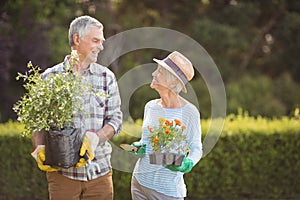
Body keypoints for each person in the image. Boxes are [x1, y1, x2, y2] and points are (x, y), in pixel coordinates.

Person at [31, 15, 122, 200]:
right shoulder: (50, 78)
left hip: (100, 173)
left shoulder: (106, 77)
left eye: (101, 41)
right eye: (95, 40)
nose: (101, 46)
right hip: (62, 173)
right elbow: (37, 123)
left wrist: (97, 137)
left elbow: (116, 120)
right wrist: (39, 147)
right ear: (77, 39)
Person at [131, 51, 202, 199]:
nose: (153, 74)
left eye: (160, 72)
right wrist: (140, 146)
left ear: (174, 82)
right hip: (139, 182)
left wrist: (187, 163)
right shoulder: (150, 106)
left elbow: (197, 148)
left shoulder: (189, 112)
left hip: (167, 190)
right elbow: (146, 142)